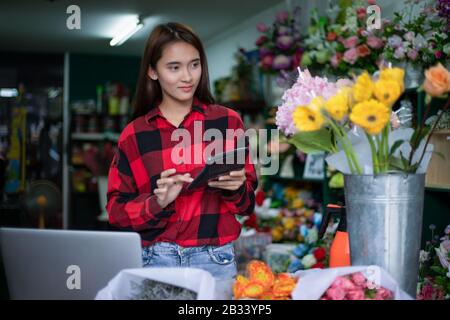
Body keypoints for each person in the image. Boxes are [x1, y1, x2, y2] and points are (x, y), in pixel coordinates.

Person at [105, 22, 258, 280]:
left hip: (215, 260)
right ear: (153, 72)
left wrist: (237, 189)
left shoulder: (228, 122)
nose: (188, 77)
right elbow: (116, 212)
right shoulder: (134, 135)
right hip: (155, 260)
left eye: (194, 64)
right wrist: (158, 202)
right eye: (174, 67)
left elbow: (247, 206)